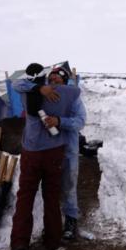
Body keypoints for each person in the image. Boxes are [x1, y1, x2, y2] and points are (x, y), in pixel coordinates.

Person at [10, 63, 80, 250]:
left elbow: (17, 83)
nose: (55, 79)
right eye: (52, 76)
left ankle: (20, 241)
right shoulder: (69, 94)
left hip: (34, 151)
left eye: (59, 76)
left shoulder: (26, 91)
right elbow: (76, 90)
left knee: (27, 196)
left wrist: (58, 120)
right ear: (46, 77)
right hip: (53, 151)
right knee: (50, 195)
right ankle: (52, 239)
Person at [44, 67, 86, 240]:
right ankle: (51, 222)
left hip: (68, 147)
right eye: (51, 80)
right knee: (49, 186)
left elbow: (81, 121)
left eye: (57, 80)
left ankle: (71, 220)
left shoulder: (73, 98)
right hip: (47, 147)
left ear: (65, 81)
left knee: (68, 184)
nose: (53, 83)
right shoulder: (43, 95)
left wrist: (60, 121)